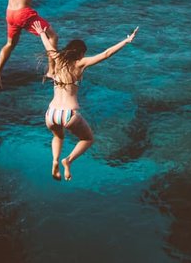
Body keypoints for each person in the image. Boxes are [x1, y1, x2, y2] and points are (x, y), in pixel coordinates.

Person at [32, 21, 139, 181]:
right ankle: (67, 161)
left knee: (58, 136)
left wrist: (41, 33)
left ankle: (54, 161)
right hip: (68, 114)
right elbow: (106, 54)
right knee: (88, 139)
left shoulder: (57, 59)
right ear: (80, 53)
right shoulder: (80, 64)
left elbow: (48, 46)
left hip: (51, 114)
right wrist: (126, 41)